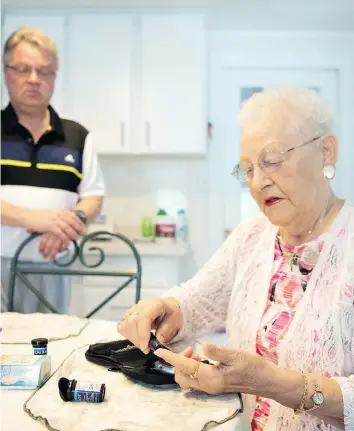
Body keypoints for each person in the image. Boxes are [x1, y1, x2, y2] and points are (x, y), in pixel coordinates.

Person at [118, 87, 354, 430]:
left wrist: (271, 383)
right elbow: (197, 301)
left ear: (326, 151)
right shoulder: (253, 235)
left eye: (271, 160)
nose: (258, 182)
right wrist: (167, 309)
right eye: (247, 170)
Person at [1, 27, 105, 313]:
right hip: (0, 264)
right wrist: (39, 220)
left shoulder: (78, 136)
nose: (34, 79)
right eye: (23, 69)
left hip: (56, 267)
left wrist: (71, 221)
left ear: (54, 78)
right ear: (6, 72)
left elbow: (94, 197)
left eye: (44, 71)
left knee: (51, 349)